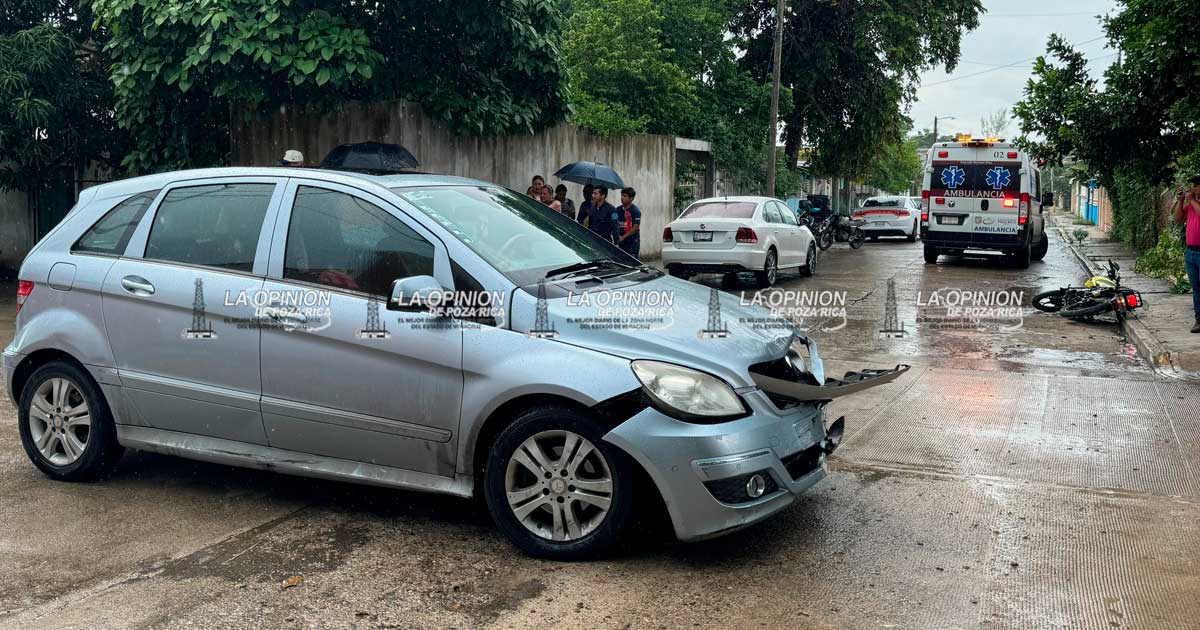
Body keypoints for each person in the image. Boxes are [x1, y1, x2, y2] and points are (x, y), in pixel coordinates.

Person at [1173, 176, 1200, 333]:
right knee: (1196, 288)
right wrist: (1180, 201)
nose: (1194, 188)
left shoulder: (1195, 204)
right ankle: (1199, 320)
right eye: (1193, 185)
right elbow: (1177, 219)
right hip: (1191, 252)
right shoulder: (1191, 206)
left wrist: (1193, 201)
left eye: (1197, 185)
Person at [616, 187, 641, 259]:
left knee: (632, 262)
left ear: (631, 198)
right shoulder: (617, 210)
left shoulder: (635, 211)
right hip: (620, 242)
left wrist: (623, 237)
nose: (622, 198)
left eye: (625, 196)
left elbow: (635, 228)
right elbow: (613, 221)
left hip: (632, 242)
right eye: (621, 195)